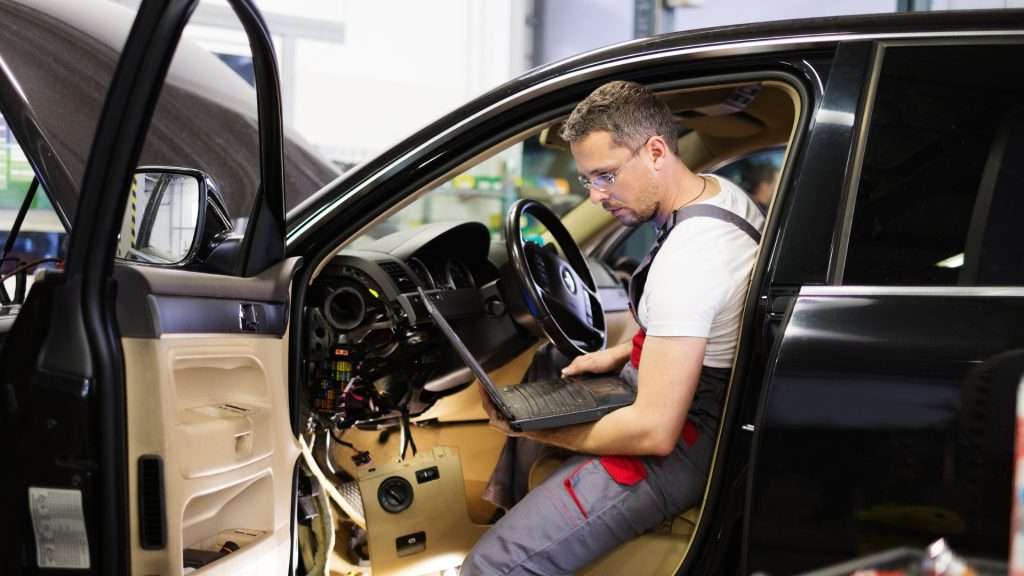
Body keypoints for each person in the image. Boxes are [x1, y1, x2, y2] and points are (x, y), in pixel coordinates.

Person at [460, 80, 765, 575]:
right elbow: (709, 323)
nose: (598, 196)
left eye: (606, 176)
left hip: (682, 439)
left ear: (657, 151)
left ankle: (518, 542)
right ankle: (523, 515)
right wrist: (619, 354)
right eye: (588, 181)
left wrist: (546, 431)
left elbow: (653, 432)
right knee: (551, 367)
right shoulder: (718, 194)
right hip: (690, 396)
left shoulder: (691, 259)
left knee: (493, 566)